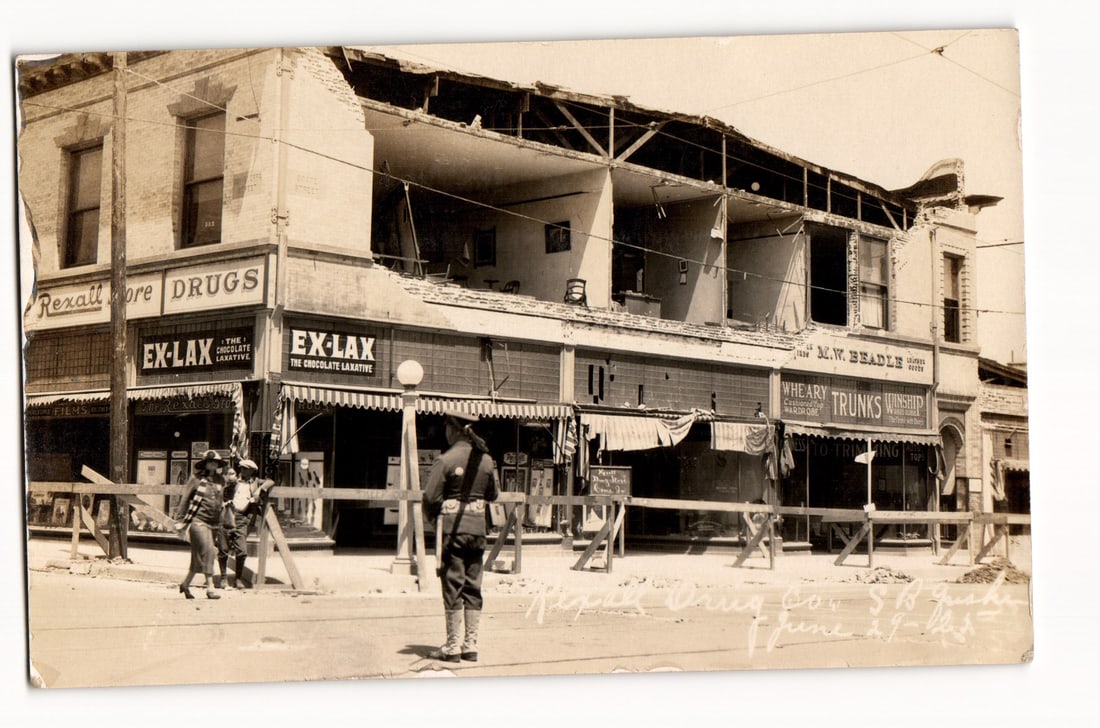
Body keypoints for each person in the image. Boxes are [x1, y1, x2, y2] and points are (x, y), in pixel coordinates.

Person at [422, 412, 499, 662]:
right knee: (473, 585)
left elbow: (430, 498)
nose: (445, 432)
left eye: (447, 427)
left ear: (454, 429)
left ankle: (453, 646)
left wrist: (435, 519)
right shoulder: (486, 460)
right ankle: (470, 645)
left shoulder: (445, 460)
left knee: (453, 584)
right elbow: (493, 495)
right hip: (478, 531)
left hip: (453, 531)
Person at [174, 450, 228, 600]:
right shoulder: (196, 479)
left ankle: (185, 584)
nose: (213, 464)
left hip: (214, 523)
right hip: (199, 521)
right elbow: (185, 499)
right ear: (205, 463)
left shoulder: (220, 480)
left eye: (215, 462)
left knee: (198, 557)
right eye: (210, 461)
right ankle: (210, 588)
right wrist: (180, 520)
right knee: (209, 551)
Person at [220, 458, 274, 589]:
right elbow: (220, 490)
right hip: (227, 515)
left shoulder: (255, 482)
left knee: (242, 551)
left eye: (246, 469)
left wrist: (260, 489)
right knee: (223, 549)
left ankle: (237, 579)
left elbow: (271, 481)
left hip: (242, 518)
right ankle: (223, 578)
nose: (242, 471)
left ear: (252, 471)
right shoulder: (232, 480)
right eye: (242, 468)